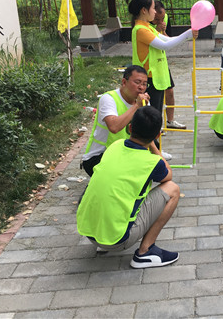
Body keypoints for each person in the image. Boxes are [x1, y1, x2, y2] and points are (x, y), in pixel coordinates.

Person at [77, 106, 180, 269]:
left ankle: (103, 238)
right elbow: (168, 174)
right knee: (172, 189)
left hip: (88, 231)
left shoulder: (115, 146)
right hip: (118, 240)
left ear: (130, 128)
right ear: (157, 135)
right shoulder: (152, 162)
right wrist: (154, 146)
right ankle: (145, 252)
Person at [123, 0, 198, 118]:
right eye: (152, 8)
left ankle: (154, 137)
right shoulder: (141, 29)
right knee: (151, 115)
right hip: (149, 77)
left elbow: (167, 40)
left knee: (155, 113)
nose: (155, 12)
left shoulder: (147, 27)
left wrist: (188, 35)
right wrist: (188, 34)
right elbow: (165, 45)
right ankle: (152, 138)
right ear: (144, 10)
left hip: (154, 77)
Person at [81, 65, 150, 176]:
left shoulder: (143, 102)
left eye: (144, 84)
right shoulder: (109, 98)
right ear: (124, 82)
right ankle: (97, 189)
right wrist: (136, 106)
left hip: (126, 153)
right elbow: (114, 127)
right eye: (137, 82)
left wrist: (159, 158)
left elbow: (148, 134)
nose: (141, 87)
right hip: (100, 157)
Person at [150, 1, 185, 130]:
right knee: (156, 98)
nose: (160, 20)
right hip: (151, 66)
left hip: (162, 62)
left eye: (162, 18)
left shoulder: (165, 19)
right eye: (156, 19)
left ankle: (170, 120)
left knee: (169, 91)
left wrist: (162, 31)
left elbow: (168, 39)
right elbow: (159, 42)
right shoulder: (144, 26)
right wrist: (157, 31)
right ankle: (156, 126)